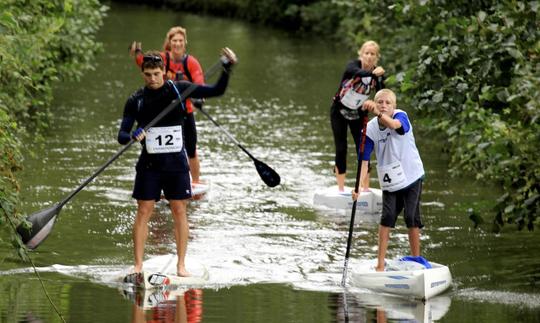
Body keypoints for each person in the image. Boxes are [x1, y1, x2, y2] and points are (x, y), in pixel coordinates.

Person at [118, 48, 237, 277]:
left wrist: (227, 68)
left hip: (176, 165)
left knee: (179, 210)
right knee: (143, 211)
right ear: (143, 74)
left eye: (156, 73)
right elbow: (122, 135)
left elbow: (217, 90)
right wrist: (134, 134)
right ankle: (138, 265)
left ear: (164, 71)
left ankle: (181, 266)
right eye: (148, 74)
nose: (152, 79)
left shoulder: (179, 90)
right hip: (149, 165)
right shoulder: (136, 100)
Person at [353, 89, 425, 272]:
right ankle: (380, 264)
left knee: (411, 216)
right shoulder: (369, 129)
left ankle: (416, 259)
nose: (384, 105)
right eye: (379, 102)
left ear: (394, 106)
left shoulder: (401, 116)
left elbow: (395, 126)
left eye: (388, 103)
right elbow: (364, 161)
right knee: (387, 218)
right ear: (375, 104)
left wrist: (378, 113)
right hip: (390, 182)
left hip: (411, 176)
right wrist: (359, 187)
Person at [130, 26, 205, 184]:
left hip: (185, 111)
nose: (177, 44)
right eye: (174, 41)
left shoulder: (191, 62)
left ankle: (195, 182)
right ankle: (158, 177)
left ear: (185, 42)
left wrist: (199, 96)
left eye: (180, 41)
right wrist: (137, 53)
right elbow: (144, 63)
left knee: (191, 148)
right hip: (163, 112)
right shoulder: (162, 59)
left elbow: (199, 81)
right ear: (169, 43)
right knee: (159, 147)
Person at [330, 40, 385, 191]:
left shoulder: (377, 75)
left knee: (362, 149)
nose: (369, 57)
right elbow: (359, 73)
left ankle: (365, 189)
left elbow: (380, 95)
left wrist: (380, 79)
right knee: (341, 149)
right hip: (339, 112)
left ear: (376, 57)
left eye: (372, 54)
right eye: (366, 53)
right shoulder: (352, 66)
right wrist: (374, 73)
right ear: (361, 54)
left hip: (359, 115)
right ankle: (340, 188)